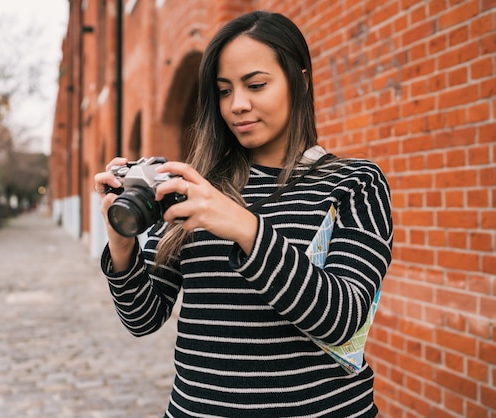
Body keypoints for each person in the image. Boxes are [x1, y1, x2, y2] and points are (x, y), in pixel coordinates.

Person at [94, 10, 393, 417]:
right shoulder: (195, 189)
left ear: (300, 82)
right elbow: (143, 317)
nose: (237, 105)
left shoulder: (354, 182)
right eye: (223, 91)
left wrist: (245, 228)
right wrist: (122, 238)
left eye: (256, 84)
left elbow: (343, 319)